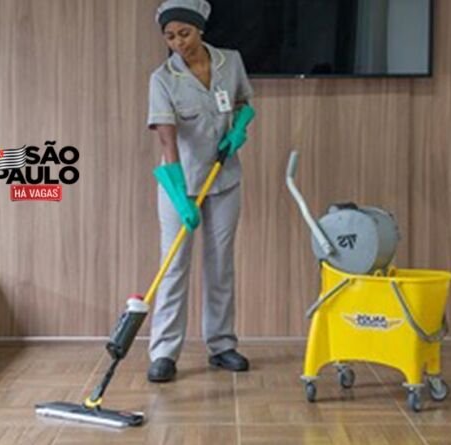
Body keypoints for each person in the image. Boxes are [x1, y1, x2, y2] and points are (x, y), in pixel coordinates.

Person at [146, 0, 254, 383]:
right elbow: (167, 141)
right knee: (175, 265)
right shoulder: (163, 79)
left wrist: (239, 128)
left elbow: (243, 103)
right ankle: (163, 352)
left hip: (224, 179)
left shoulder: (230, 62)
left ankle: (221, 345)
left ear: (200, 29)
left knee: (220, 263)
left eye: (185, 33)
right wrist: (181, 197)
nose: (178, 43)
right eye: (170, 36)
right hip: (182, 181)